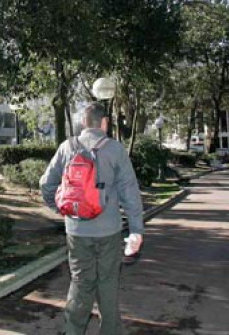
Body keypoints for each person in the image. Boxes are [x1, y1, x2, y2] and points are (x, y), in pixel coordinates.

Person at [40, 102, 144, 335]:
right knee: (107, 283)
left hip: (76, 231)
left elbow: (46, 184)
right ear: (104, 123)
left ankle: (73, 331)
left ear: (83, 123)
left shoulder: (67, 147)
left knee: (80, 282)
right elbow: (130, 193)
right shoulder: (115, 149)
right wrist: (136, 230)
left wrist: (62, 210)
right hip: (108, 231)